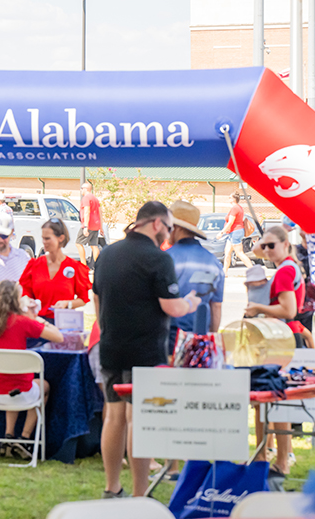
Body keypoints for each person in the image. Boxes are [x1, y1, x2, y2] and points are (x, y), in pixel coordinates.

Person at [93, 201, 201, 498]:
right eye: (168, 229)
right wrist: (192, 301)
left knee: (113, 417)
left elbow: (98, 302)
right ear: (156, 224)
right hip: (145, 351)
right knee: (138, 419)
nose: (168, 235)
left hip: (112, 346)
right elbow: (172, 306)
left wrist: (108, 333)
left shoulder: (107, 254)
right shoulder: (158, 258)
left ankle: (111, 487)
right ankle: (140, 494)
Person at [245, 225, 310, 480]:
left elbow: (289, 310)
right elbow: (257, 251)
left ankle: (279, 459)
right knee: (272, 399)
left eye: (272, 245)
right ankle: (272, 456)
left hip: (280, 338)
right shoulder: (290, 265)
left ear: (285, 244)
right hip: (282, 337)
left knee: (275, 398)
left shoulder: (284, 270)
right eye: (266, 245)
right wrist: (267, 243)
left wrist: (256, 308)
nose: (267, 250)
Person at [0, 280, 63, 458]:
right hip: (19, 390)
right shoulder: (22, 322)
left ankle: (9, 437)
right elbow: (58, 337)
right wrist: (38, 320)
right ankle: (24, 438)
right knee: (42, 386)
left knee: (12, 384)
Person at [165, 200, 224, 349]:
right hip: (200, 340)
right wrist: (210, 338)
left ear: (176, 227)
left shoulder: (166, 259)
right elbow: (216, 307)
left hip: (169, 338)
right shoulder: (213, 262)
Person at [19, 218, 91, 324]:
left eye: (47, 238)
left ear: (61, 238)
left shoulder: (74, 267)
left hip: (64, 324)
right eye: (43, 238)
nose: (44, 242)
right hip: (37, 324)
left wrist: (67, 304)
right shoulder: (34, 265)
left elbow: (83, 299)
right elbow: (24, 294)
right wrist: (28, 303)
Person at [218, 192, 254, 276]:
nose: (228, 198)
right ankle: (224, 272)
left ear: (234, 199)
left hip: (235, 232)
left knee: (239, 253)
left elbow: (230, 222)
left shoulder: (235, 208)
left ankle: (253, 271)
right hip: (232, 233)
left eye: (230, 197)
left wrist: (221, 233)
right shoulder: (237, 207)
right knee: (227, 253)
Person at [76, 182, 103, 266]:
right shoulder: (95, 198)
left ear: (85, 189)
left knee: (78, 243)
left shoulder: (86, 198)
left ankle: (83, 264)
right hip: (96, 225)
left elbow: (87, 211)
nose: (80, 190)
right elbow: (100, 213)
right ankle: (98, 265)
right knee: (94, 245)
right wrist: (101, 227)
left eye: (81, 188)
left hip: (89, 224)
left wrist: (85, 226)